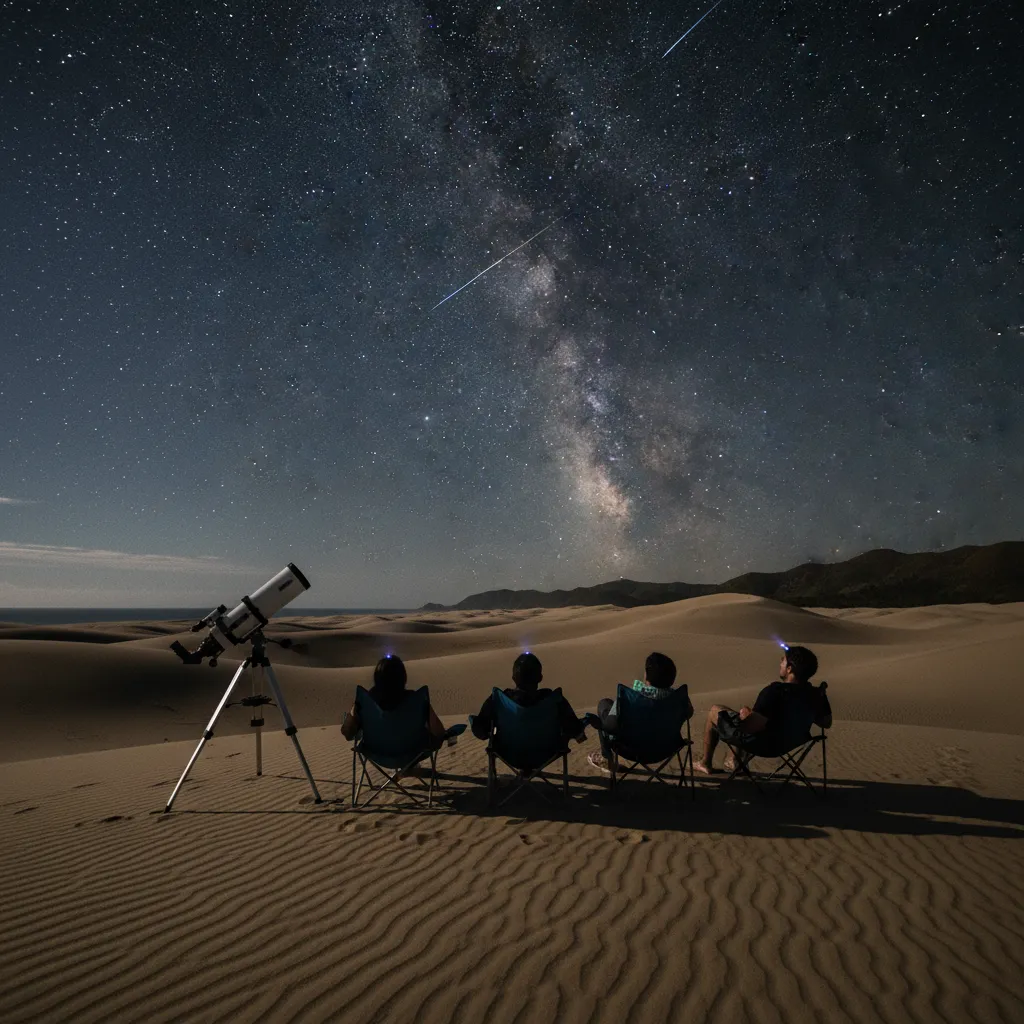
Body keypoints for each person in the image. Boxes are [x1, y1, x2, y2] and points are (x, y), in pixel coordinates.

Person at [694, 645, 826, 774]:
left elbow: (751, 727)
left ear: (789, 669)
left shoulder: (775, 691)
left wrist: (746, 716)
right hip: (791, 744)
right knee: (745, 717)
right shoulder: (815, 694)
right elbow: (826, 722)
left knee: (716, 710)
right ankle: (733, 760)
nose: (780, 662)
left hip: (766, 746)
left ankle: (705, 763)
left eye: (783, 660)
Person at [587, 651, 692, 773]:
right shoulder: (678, 699)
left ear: (646, 675)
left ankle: (608, 759)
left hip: (630, 750)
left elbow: (609, 727)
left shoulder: (630, 698)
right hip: (667, 749)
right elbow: (689, 713)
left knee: (604, 705)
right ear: (672, 679)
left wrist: (600, 724)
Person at [469, 652, 586, 743]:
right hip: (546, 753)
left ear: (513, 678)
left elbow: (481, 732)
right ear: (540, 677)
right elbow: (575, 730)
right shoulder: (553, 699)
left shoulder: (501, 699)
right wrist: (586, 721)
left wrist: (474, 722)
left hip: (509, 753)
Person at [340, 654, 447, 745]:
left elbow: (348, 733)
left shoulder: (365, 702)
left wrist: (353, 713)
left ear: (376, 677)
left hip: (376, 752)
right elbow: (439, 732)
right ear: (403, 677)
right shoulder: (417, 700)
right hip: (410, 752)